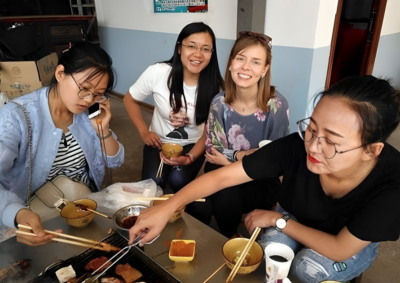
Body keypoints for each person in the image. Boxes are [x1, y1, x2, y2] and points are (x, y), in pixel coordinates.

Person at [129, 75, 400, 282]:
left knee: (307, 267)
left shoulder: (392, 184)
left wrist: (276, 219)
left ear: (371, 150)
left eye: (331, 141)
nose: (313, 147)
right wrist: (165, 208)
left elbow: (340, 248)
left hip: (347, 241)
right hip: (298, 218)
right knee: (270, 255)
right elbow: (221, 179)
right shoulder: (296, 146)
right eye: (312, 129)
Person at [0, 42, 125, 246]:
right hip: (33, 216)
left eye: (97, 94)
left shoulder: (89, 114)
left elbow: (115, 161)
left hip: (83, 206)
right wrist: (17, 215)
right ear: (60, 73)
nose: (88, 99)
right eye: (85, 89)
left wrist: (102, 130)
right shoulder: (15, 118)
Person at [190, 31, 289, 237]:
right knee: (223, 194)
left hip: (261, 179)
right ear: (231, 63)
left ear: (264, 69)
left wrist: (231, 160)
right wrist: (242, 156)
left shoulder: (276, 106)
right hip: (225, 170)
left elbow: (276, 159)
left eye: (255, 62)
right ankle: (230, 236)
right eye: (240, 58)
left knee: (225, 188)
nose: (245, 67)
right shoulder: (219, 103)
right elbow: (212, 150)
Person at [124, 22, 224, 192]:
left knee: (177, 180)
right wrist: (144, 132)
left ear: (211, 54)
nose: (198, 54)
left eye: (206, 49)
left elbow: (209, 131)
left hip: (193, 143)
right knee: (153, 182)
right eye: (191, 46)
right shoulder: (158, 72)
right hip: (158, 142)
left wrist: (190, 158)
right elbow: (129, 99)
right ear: (179, 48)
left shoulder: (216, 88)